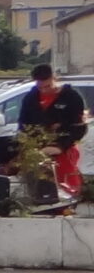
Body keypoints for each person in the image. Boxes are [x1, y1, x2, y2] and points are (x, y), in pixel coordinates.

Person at [19, 63, 87, 206]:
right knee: (39, 186)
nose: (44, 90)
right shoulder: (30, 99)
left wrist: (61, 146)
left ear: (54, 79)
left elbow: (79, 128)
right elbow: (23, 126)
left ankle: (70, 207)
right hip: (38, 151)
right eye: (40, 87)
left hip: (64, 150)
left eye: (48, 86)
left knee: (68, 186)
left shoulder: (71, 97)